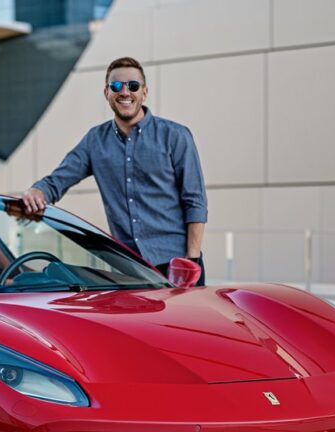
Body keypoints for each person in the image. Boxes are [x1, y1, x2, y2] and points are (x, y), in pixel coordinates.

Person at [22, 56, 208, 285]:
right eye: (117, 86)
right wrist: (37, 192)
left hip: (176, 265)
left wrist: (192, 260)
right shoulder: (95, 141)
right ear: (107, 92)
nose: (125, 92)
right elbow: (57, 181)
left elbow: (195, 201)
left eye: (133, 86)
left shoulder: (175, 136)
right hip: (130, 269)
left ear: (144, 92)